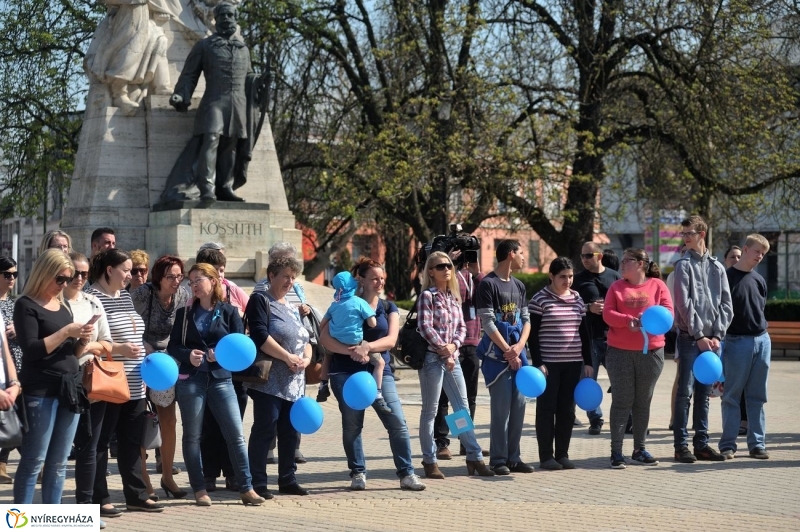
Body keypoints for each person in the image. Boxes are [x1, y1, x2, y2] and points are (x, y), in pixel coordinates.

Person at [319, 258, 426, 492]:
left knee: (397, 422)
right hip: (345, 372)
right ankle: (358, 473)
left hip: (379, 371)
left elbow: (391, 340)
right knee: (352, 426)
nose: (380, 282)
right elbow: (324, 337)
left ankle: (407, 473)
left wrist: (367, 347)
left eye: (382, 278)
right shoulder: (342, 303)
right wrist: (352, 351)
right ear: (361, 280)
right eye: (375, 278)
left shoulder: (388, 307)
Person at [168, 264, 265, 507]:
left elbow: (239, 345)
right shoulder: (184, 314)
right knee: (193, 436)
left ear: (213, 281)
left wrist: (219, 355)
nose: (193, 285)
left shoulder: (230, 312)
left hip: (221, 379)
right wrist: (188, 354)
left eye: (198, 280)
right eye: (190, 281)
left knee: (235, 434)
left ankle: (247, 488)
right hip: (191, 380)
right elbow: (173, 346)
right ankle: (199, 489)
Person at [88, 249, 165, 513]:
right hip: (109, 382)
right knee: (101, 442)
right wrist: (120, 349)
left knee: (132, 441)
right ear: (109, 270)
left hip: (135, 382)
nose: (130, 276)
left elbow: (135, 335)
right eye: (126, 270)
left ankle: (136, 495)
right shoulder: (93, 298)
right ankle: (100, 497)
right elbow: (91, 343)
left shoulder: (124, 297)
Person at [13, 249, 92, 504]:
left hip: (69, 389)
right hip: (40, 391)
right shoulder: (26, 305)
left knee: (59, 463)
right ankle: (21, 519)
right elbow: (32, 349)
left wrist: (82, 340)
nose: (64, 284)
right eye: (60, 278)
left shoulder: (63, 305)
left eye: (67, 279)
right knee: (34, 460)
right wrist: (67, 331)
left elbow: (71, 352)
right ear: (44, 273)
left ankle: (51, 517)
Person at [163, 2, 260, 202]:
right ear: (215, 19)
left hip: (238, 103)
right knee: (211, 139)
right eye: (222, 15)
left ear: (236, 18)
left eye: (230, 15)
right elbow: (189, 74)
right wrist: (181, 94)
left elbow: (249, 76)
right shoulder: (205, 46)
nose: (226, 19)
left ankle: (225, 187)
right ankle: (206, 187)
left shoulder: (243, 49)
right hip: (214, 101)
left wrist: (260, 81)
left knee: (231, 145)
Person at [417, 251, 493, 479]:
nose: (446, 269)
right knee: (430, 411)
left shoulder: (453, 296)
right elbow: (425, 327)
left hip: (453, 358)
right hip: (432, 359)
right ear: (431, 272)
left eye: (449, 265)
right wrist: (444, 349)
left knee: (461, 409)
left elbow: (462, 327)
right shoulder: (427, 296)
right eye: (441, 266)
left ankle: (474, 456)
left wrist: (453, 347)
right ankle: (429, 460)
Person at [245, 256, 312, 498]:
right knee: (265, 429)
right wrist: (287, 357)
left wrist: (306, 359)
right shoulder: (260, 300)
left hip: (294, 382)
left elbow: (307, 339)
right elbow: (260, 336)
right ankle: (257, 482)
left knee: (290, 433)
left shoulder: (293, 307)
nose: (289, 281)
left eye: (293, 277)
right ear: (271, 276)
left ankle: (288, 479)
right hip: (270, 382)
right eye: (285, 276)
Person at [602, 249, 673, 468]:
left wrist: (649, 318)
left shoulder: (658, 285)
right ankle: (616, 452)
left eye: (627, 261)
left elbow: (668, 313)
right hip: (619, 353)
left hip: (651, 353)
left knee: (643, 401)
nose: (622, 264)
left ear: (641, 263)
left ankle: (639, 449)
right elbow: (607, 314)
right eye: (622, 261)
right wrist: (627, 320)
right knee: (622, 401)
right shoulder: (616, 287)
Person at [672, 215, 733, 463]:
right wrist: (699, 335)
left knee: (704, 394)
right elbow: (683, 304)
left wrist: (717, 334)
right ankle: (680, 446)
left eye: (690, 233)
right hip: (690, 339)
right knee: (684, 393)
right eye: (683, 233)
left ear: (702, 234)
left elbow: (726, 304)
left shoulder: (717, 267)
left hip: (712, 341)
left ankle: (702, 444)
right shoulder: (683, 265)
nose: (686, 237)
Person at [131, 255, 191, 498]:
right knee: (141, 420)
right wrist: (144, 346)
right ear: (158, 277)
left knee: (169, 420)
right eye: (170, 277)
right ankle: (144, 481)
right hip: (141, 360)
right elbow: (129, 325)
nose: (176, 281)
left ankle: (167, 476)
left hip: (169, 365)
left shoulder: (183, 295)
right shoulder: (142, 294)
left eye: (179, 276)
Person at [193, 247, 250, 491]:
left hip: (232, 373)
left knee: (232, 427)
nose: (220, 275)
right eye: (214, 271)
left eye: (222, 270)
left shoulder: (233, 294)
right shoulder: (192, 302)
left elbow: (241, 334)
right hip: (204, 374)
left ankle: (232, 473)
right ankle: (209, 473)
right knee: (207, 426)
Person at [528, 257, 592, 470]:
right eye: (562, 277)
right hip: (548, 365)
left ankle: (562, 454)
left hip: (573, 363)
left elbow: (584, 332)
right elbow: (533, 336)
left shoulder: (577, 298)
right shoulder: (540, 299)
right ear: (551, 276)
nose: (568, 281)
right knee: (547, 410)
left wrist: (588, 361)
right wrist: (538, 363)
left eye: (570, 276)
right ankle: (546, 456)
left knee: (567, 410)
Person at [475, 239, 532, 475]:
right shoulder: (488, 284)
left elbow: (526, 320)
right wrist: (508, 351)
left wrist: (519, 346)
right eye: (521, 253)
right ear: (510, 254)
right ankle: (498, 460)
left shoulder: (519, 286)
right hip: (498, 359)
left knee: (519, 408)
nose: (523, 257)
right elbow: (488, 323)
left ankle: (514, 458)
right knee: (501, 412)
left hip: (518, 357)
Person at [65, 252, 115, 508]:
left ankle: (86, 506)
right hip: (62, 382)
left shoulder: (93, 302)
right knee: (59, 448)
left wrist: (85, 344)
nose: (80, 278)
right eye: (75, 273)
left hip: (91, 380)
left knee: (89, 446)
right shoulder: (54, 302)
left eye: (85, 274)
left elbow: (107, 343)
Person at [718, 235, 772, 460]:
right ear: (746, 249)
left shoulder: (759, 280)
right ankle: (728, 445)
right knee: (732, 395)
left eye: (763, 253)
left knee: (757, 396)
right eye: (757, 251)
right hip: (736, 341)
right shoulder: (726, 278)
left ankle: (757, 444)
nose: (760, 256)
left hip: (762, 340)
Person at [433, 251, 484, 459]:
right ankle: (442, 443)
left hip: (472, 341)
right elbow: (452, 292)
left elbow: (484, 296)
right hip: (451, 344)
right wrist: (451, 263)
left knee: (468, 397)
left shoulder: (473, 276)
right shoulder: (450, 275)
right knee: (444, 398)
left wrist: (477, 272)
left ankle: (466, 440)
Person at [321, 271, 390, 413]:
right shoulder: (359, 302)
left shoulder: (334, 305)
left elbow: (322, 325)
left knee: (327, 356)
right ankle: (378, 394)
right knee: (380, 363)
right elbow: (372, 323)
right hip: (356, 343)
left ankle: (323, 384)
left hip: (336, 343)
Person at [573, 242, 620, 435]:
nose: (584, 259)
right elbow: (570, 305)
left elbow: (623, 302)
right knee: (588, 382)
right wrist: (588, 308)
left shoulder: (614, 277)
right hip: (589, 339)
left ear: (599, 256)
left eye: (588, 255)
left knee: (620, 381)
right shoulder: (578, 280)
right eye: (582, 256)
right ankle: (595, 419)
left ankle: (626, 420)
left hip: (613, 338)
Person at [0, 257, 22, 484]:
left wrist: (19, 329)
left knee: (14, 416)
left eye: (14, 274)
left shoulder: (16, 304)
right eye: (7, 274)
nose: (12, 278)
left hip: (17, 367)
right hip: (1, 372)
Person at [723, 245, 747, 436]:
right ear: (725, 260)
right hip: (726, 338)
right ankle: (730, 425)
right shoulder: (722, 279)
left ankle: (745, 421)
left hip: (746, 339)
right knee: (730, 385)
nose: (736, 259)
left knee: (746, 384)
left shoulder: (751, 277)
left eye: (739, 256)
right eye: (732, 256)